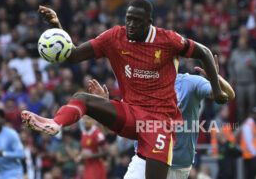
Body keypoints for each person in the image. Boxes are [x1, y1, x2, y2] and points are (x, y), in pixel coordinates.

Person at [21, 0, 228, 179]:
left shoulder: (167, 40)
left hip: (159, 123)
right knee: (82, 98)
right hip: (130, 113)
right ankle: (56, 123)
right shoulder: (114, 38)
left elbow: (205, 52)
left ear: (149, 22)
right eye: (128, 18)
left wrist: (217, 90)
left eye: (137, 21)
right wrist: (58, 28)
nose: (130, 24)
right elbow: (73, 55)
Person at [88, 55, 235, 179]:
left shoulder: (190, 83)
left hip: (178, 167)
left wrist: (216, 79)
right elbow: (110, 130)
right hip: (145, 161)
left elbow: (228, 96)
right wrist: (105, 109)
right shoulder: (139, 87)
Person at [0, 108, 25, 179]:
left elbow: (21, 154)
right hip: (0, 174)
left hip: (14, 173)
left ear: (2, 120)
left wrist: (3, 154)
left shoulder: (11, 134)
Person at [241, 108, 256, 179]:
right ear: (251, 114)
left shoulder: (252, 124)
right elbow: (248, 141)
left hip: (253, 154)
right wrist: (255, 153)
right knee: (250, 175)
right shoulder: (248, 125)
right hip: (250, 155)